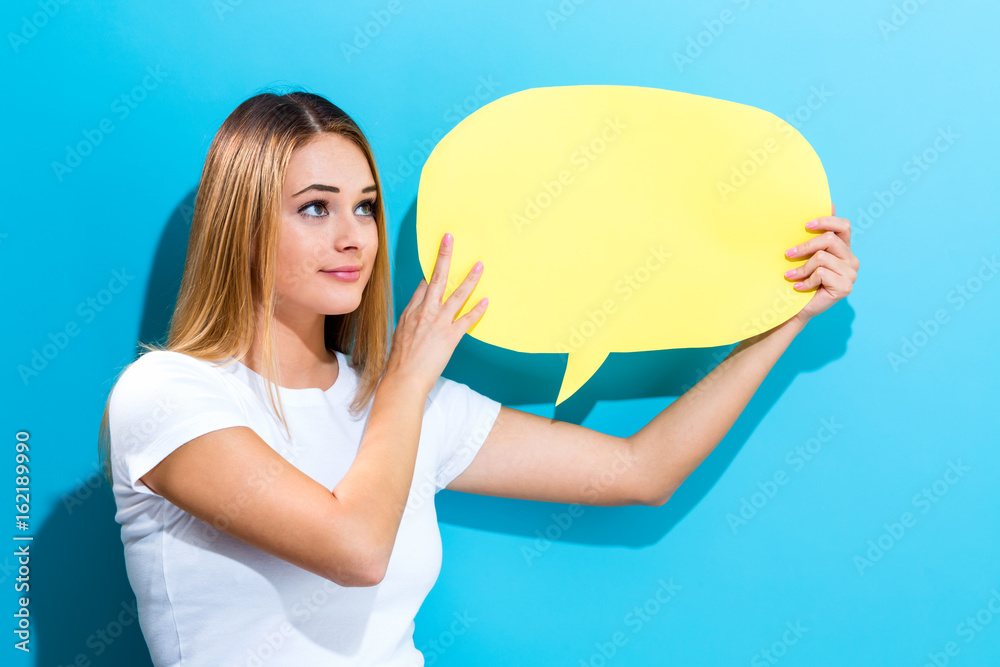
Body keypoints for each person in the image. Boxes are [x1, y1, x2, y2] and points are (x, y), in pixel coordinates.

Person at [97, 90, 858, 666]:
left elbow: (638, 470)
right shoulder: (168, 396)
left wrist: (786, 317)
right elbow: (355, 549)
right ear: (243, 224)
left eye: (364, 207)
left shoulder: (406, 402)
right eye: (314, 208)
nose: (351, 237)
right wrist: (405, 379)